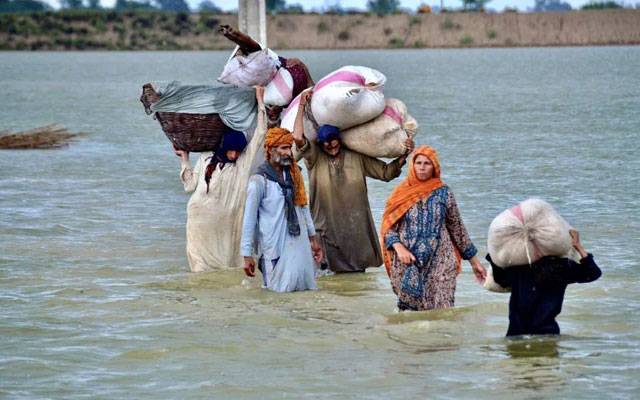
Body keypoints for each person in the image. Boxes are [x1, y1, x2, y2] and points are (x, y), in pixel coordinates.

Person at [292, 90, 414, 273]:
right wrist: (302, 105)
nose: (331, 146)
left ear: (340, 141)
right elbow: (297, 138)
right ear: (320, 144)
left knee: (356, 275)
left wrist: (404, 154)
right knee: (325, 275)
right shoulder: (315, 158)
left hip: (354, 229)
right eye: (326, 142)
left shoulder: (357, 157)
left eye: (334, 141)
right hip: (325, 227)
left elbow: (386, 173)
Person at [380, 145, 487, 311]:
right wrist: (399, 248)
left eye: (427, 163)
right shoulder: (400, 194)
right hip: (407, 261)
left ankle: (444, 336)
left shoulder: (444, 193)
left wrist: (475, 262)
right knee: (410, 316)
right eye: (419, 163)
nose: (422, 167)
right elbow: (388, 228)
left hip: (441, 261)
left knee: (442, 311)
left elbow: (457, 228)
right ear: (413, 166)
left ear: (434, 167)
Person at [175, 87, 268, 272]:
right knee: (200, 267)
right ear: (223, 147)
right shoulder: (206, 157)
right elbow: (190, 186)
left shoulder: (242, 162)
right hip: (200, 220)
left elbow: (260, 133)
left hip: (228, 221)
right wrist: (184, 159)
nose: (234, 155)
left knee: (229, 264)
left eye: (238, 151)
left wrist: (260, 101)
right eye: (230, 150)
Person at [240, 127, 323, 292]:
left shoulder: (294, 175)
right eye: (283, 148)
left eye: (289, 148)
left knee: (302, 290)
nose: (288, 153)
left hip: (298, 244)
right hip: (273, 248)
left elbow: (303, 207)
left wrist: (313, 240)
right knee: (275, 293)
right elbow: (249, 220)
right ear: (270, 150)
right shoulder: (258, 181)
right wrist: (247, 255)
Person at [487, 229, 602, 336]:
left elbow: (501, 280)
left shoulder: (519, 267)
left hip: (517, 333)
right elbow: (593, 273)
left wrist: (495, 254)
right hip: (547, 334)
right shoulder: (563, 267)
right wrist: (578, 246)